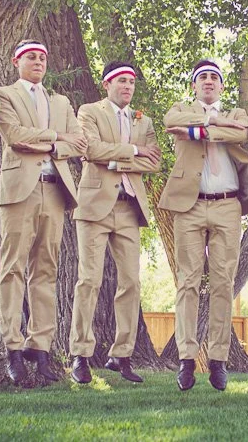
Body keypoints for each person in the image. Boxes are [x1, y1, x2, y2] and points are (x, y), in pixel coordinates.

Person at [159, 60, 248, 391]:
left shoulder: (236, 114)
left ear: (221, 86)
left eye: (214, 78)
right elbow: (172, 121)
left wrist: (196, 131)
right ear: (195, 86)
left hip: (227, 206)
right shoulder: (180, 108)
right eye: (202, 78)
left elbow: (241, 132)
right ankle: (186, 360)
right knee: (188, 283)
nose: (208, 82)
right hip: (189, 206)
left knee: (224, 283)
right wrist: (211, 124)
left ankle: (219, 362)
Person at [0, 40, 87, 384]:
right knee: (13, 267)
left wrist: (52, 141)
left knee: (46, 270)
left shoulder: (61, 102)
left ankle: (41, 348)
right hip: (21, 189)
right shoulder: (4, 95)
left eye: (43, 57)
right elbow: (14, 135)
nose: (38, 62)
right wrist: (55, 137)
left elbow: (78, 143)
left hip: (56, 190)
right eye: (31, 57)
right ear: (17, 60)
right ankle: (13, 348)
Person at [69, 61, 161, 384]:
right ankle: (80, 354)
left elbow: (155, 161)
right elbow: (90, 149)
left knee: (131, 283)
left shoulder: (143, 119)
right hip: (95, 204)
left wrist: (116, 158)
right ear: (107, 84)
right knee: (89, 280)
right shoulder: (89, 112)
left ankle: (121, 354)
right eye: (121, 81)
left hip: (129, 208)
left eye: (131, 82)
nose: (127, 87)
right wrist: (133, 151)